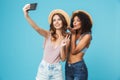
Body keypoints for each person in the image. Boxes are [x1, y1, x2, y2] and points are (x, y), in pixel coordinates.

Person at [23, 4, 70, 80]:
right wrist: (26, 15)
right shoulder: (48, 34)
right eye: (54, 20)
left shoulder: (67, 38)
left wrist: (62, 46)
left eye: (59, 19)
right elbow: (36, 28)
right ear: (52, 23)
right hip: (43, 69)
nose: (56, 22)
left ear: (63, 21)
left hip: (56, 70)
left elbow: (63, 59)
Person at [65, 10, 93, 80]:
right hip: (68, 67)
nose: (74, 22)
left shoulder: (87, 36)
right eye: (73, 20)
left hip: (79, 68)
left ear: (84, 22)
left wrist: (73, 34)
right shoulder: (71, 34)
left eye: (78, 20)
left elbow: (74, 51)